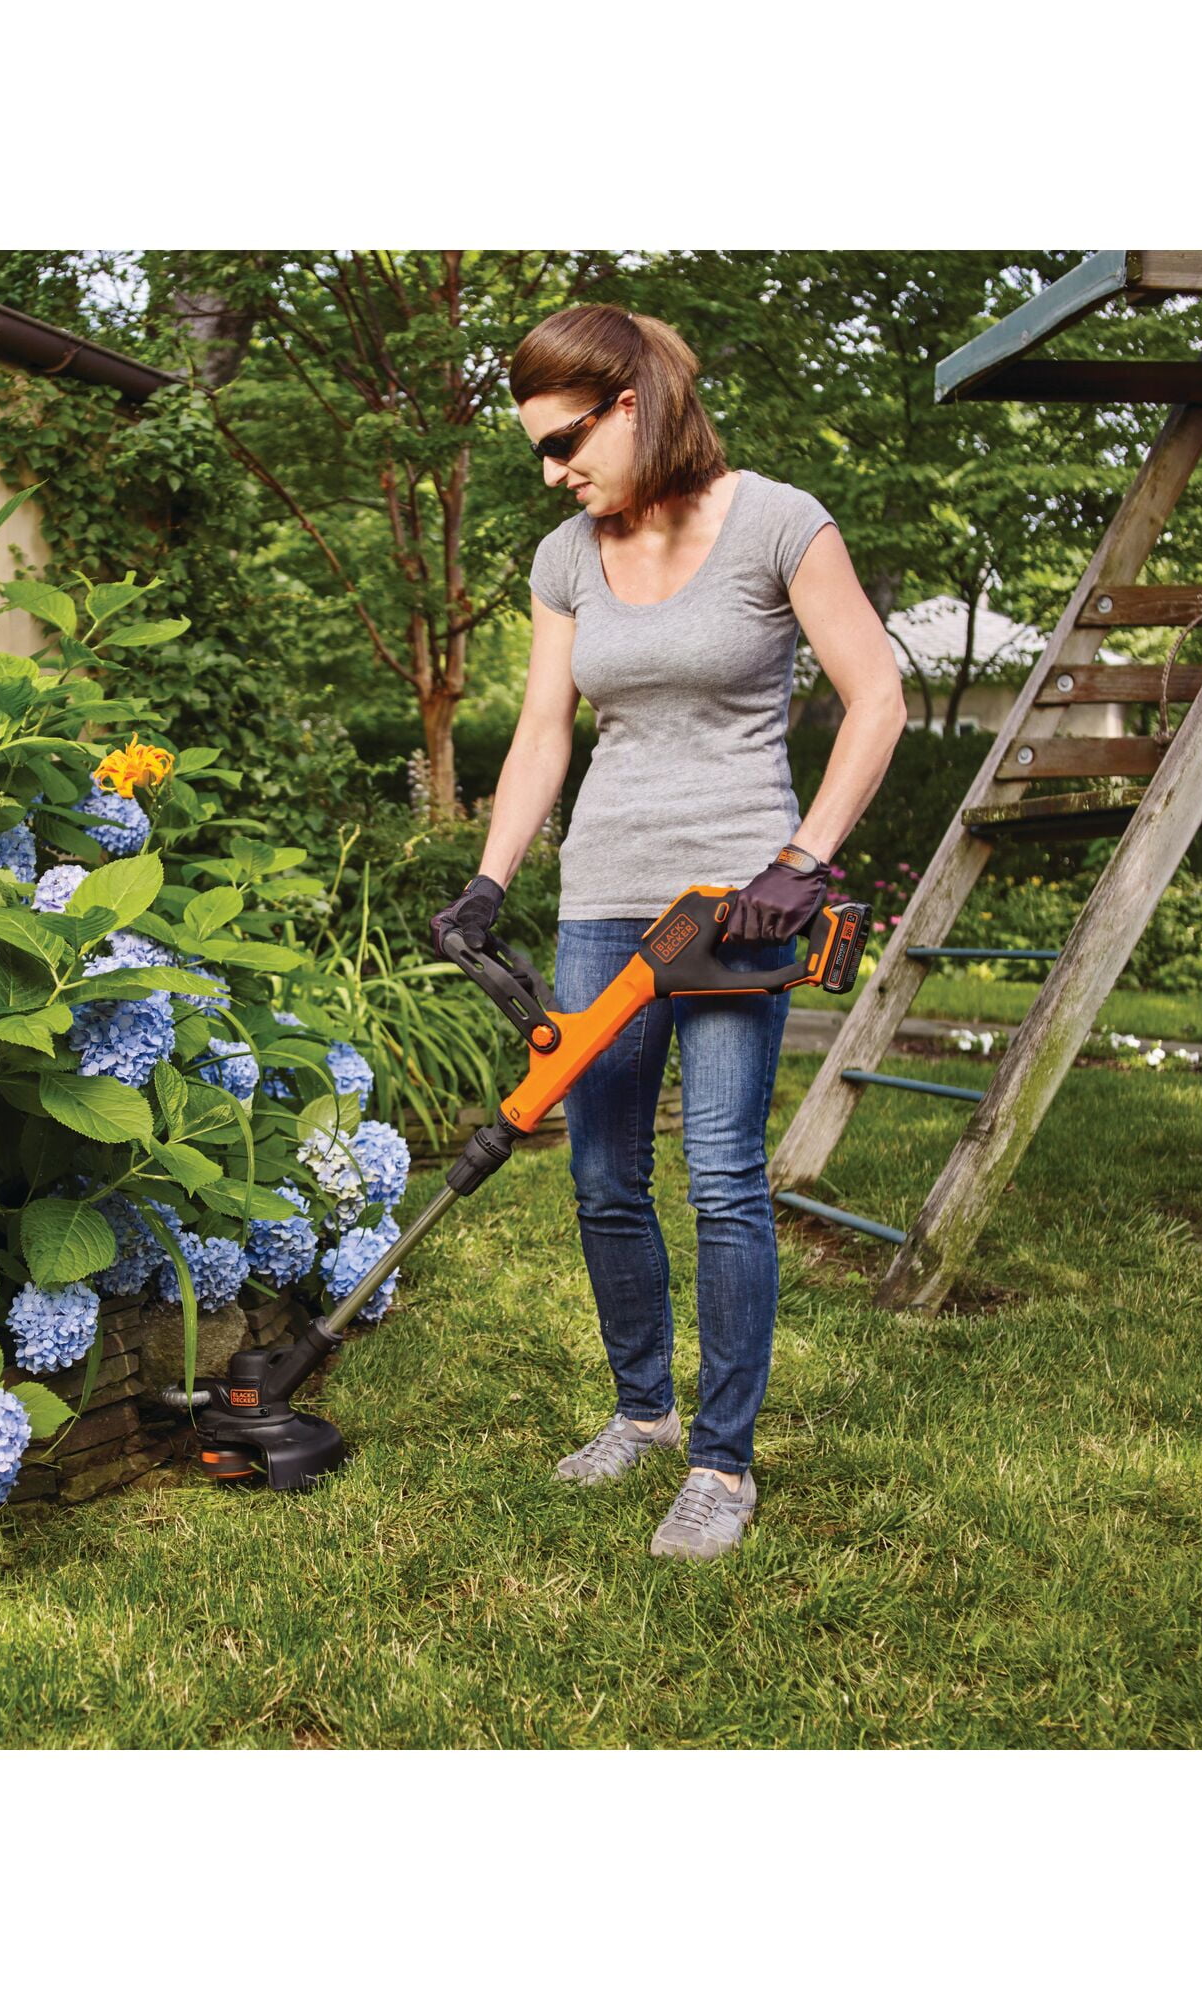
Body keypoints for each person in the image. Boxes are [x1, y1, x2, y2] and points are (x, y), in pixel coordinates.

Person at [431, 303, 905, 1560]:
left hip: (736, 905)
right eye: (539, 450)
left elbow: (876, 697)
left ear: (632, 403)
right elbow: (543, 731)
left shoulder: (778, 522)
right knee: (600, 1174)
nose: (553, 471)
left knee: (722, 1177)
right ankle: (642, 1412)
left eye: (564, 441)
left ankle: (720, 1463)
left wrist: (801, 860)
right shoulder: (567, 556)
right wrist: (489, 877)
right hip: (602, 895)